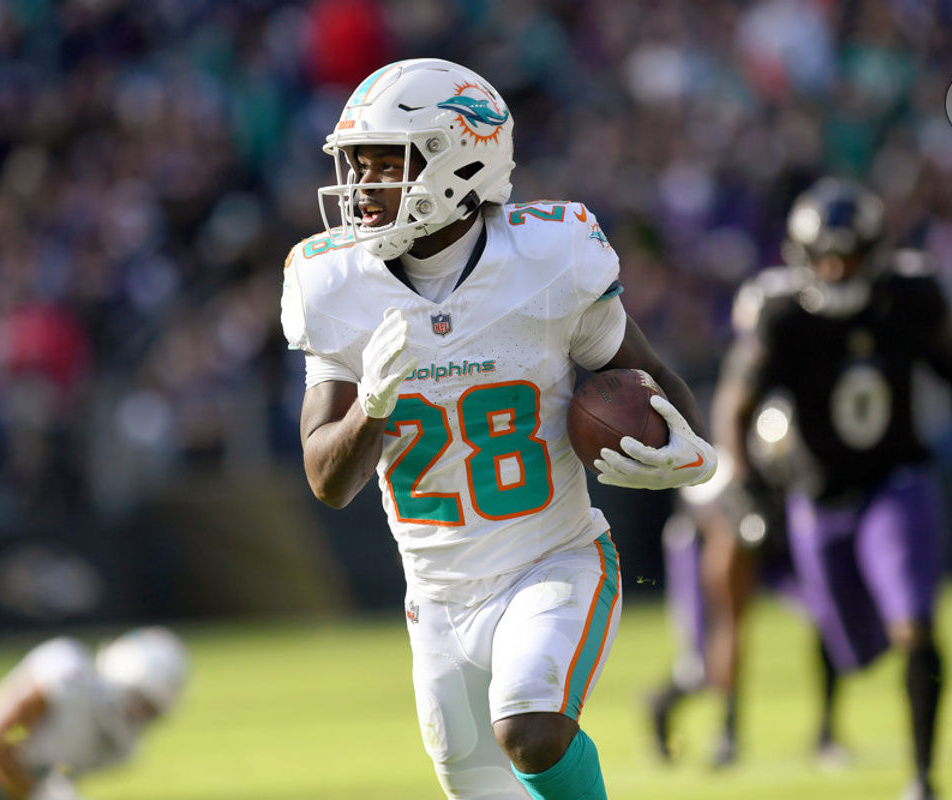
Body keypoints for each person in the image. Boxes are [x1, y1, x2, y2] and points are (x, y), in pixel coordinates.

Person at [281, 57, 717, 800]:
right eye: (356, 165)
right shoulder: (330, 282)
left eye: (388, 163)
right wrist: (372, 406)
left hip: (554, 561)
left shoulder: (548, 258)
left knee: (532, 728)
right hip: (437, 597)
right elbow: (327, 481)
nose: (362, 189)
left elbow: (650, 379)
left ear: (460, 159)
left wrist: (692, 450)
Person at [715, 176, 952, 800]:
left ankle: (922, 778)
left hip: (895, 483)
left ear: (875, 252)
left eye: (848, 255)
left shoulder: (911, 295)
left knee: (915, 626)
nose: (835, 267)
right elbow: (734, 408)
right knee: (854, 647)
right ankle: (848, 698)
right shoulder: (781, 311)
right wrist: (742, 489)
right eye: (824, 255)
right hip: (817, 499)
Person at [645, 389, 847, 771]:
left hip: (770, 540)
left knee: (827, 616)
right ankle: (712, 726)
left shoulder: (797, 463)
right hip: (708, 539)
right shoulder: (730, 472)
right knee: (702, 664)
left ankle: (827, 733)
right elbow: (709, 516)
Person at [0, 626, 188, 800]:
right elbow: (1, 740)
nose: (141, 716)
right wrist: (27, 788)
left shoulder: (119, 749)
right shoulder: (68, 674)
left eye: (152, 710)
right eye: (142, 703)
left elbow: (54, 772)